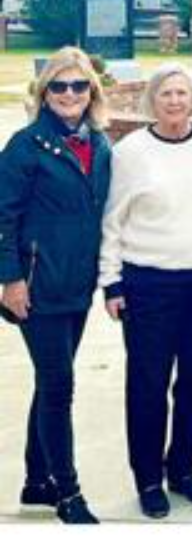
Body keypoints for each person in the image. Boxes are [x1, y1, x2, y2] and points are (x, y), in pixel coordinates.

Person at [98, 64, 192, 519]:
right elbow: (112, 220)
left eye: (182, 93)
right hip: (149, 284)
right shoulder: (131, 152)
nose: (175, 101)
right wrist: (111, 282)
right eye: (166, 94)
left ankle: (183, 468)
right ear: (152, 100)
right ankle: (149, 478)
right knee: (149, 385)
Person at [0, 47, 112, 524]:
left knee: (50, 382)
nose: (70, 95)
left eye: (79, 86)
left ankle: (35, 480)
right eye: (60, 86)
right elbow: (3, 218)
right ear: (44, 93)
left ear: (92, 92)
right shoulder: (26, 146)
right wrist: (10, 279)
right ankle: (67, 493)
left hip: (77, 285)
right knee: (60, 385)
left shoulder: (100, 144)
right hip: (37, 287)